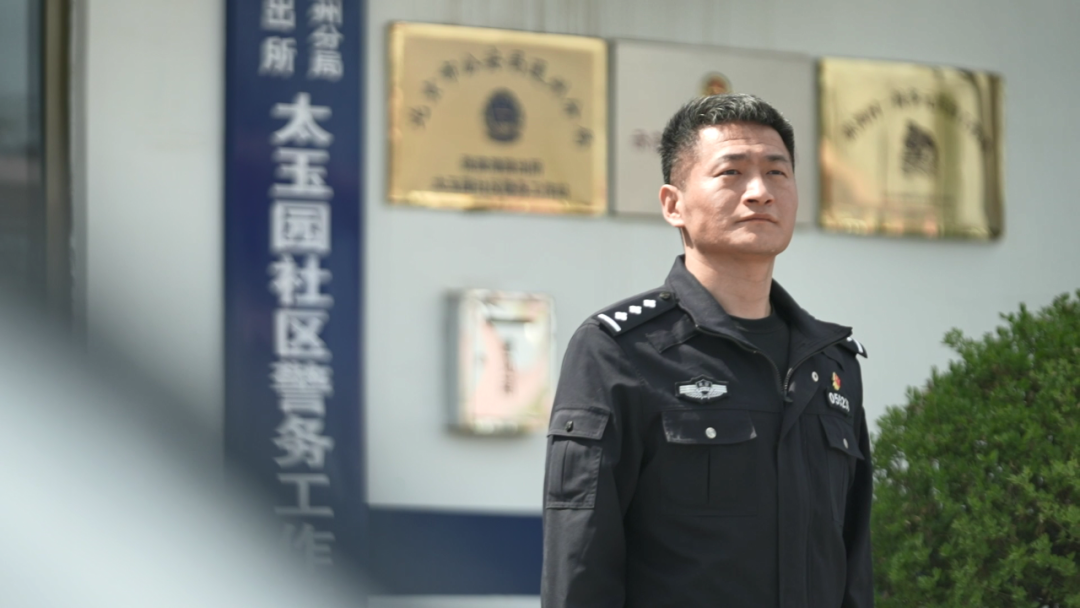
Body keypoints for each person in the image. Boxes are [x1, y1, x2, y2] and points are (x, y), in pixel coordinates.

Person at [541, 94, 873, 608]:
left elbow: (852, 564)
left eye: (777, 173)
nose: (760, 192)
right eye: (731, 173)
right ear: (673, 204)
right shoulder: (619, 352)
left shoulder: (830, 362)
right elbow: (581, 560)